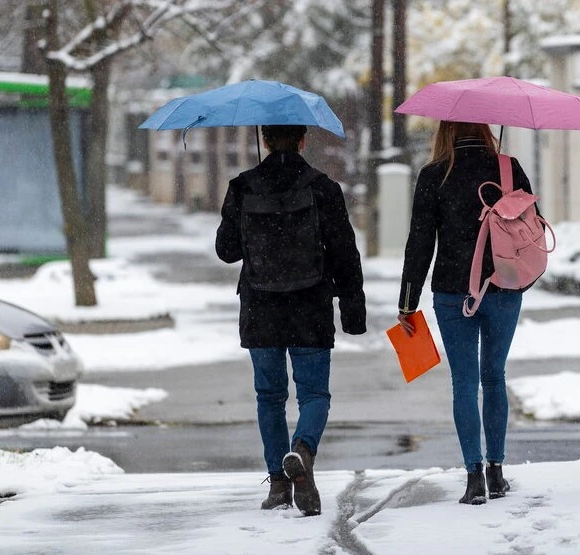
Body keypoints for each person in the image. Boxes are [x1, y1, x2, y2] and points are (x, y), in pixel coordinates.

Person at [216, 124, 366, 516]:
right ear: (302, 140)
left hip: (260, 308)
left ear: (264, 140)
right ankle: (302, 450)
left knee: (270, 397)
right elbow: (344, 252)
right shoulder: (323, 187)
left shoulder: (243, 186)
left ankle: (279, 486)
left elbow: (226, 251)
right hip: (311, 306)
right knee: (314, 394)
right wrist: (352, 306)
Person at [397, 121, 537, 505]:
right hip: (504, 286)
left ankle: (473, 477)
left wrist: (408, 301)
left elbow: (420, 242)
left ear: (447, 130)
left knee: (464, 382)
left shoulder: (434, 174)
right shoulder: (509, 168)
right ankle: (497, 470)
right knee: (494, 377)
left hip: (452, 291)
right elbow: (531, 227)